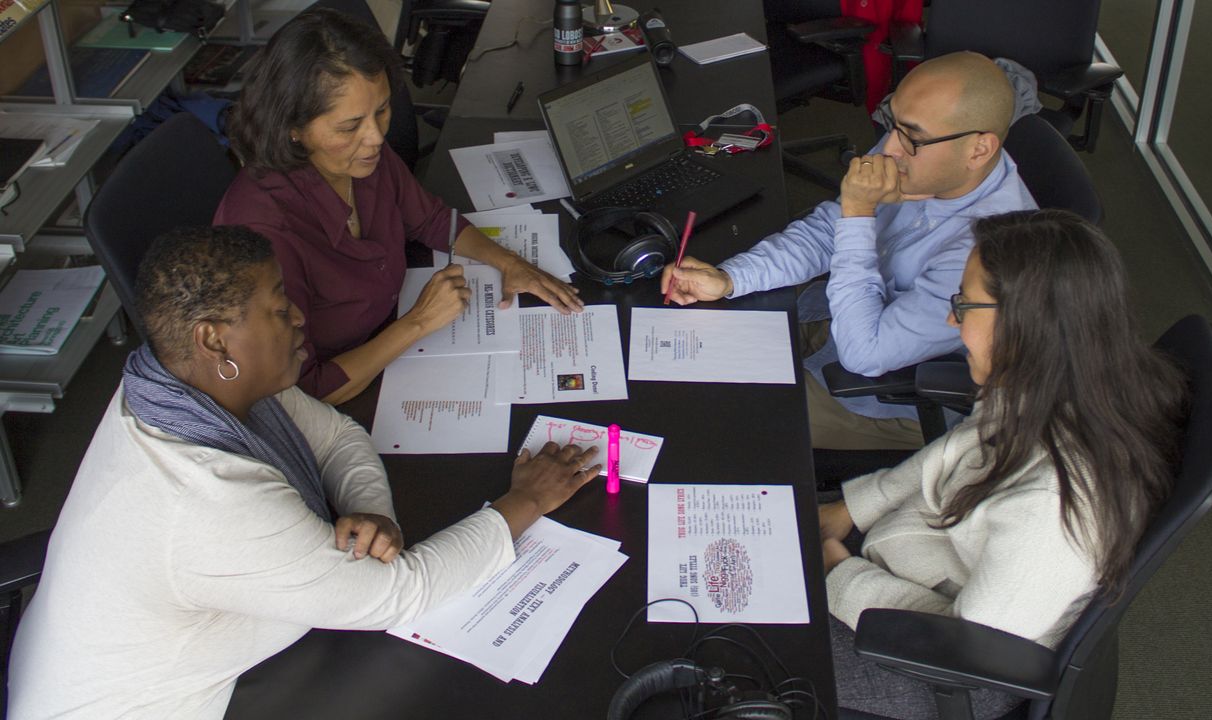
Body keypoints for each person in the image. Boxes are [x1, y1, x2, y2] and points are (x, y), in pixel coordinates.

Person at [6, 226, 601, 720]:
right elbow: (402, 594)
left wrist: (373, 518)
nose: (297, 318)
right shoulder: (206, 499)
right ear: (214, 339)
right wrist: (525, 502)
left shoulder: (186, 386)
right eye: (276, 307)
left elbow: (341, 437)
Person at [818, 210, 1187, 718]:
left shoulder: (1055, 506)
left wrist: (839, 571)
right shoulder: (1059, 386)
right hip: (912, 564)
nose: (953, 319)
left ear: (1026, 322)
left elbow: (968, 643)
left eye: (965, 304)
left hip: (941, 667)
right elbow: (960, 449)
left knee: (727, 641)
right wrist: (848, 510)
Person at [662, 52, 1037, 450]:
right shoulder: (912, 150)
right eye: (891, 121)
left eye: (911, 136)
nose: (888, 146)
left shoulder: (988, 247)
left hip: (888, 390)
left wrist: (860, 212)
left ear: (979, 149)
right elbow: (828, 231)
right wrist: (731, 278)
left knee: (708, 414)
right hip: (837, 313)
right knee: (687, 351)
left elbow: (866, 353)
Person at [215, 8, 584, 405]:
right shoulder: (265, 235)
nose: (375, 137)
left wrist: (509, 262)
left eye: (383, 110)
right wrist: (420, 321)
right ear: (293, 129)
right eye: (349, 126)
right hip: (348, 393)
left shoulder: (359, 158)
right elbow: (304, 392)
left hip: (393, 340)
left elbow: (431, 219)